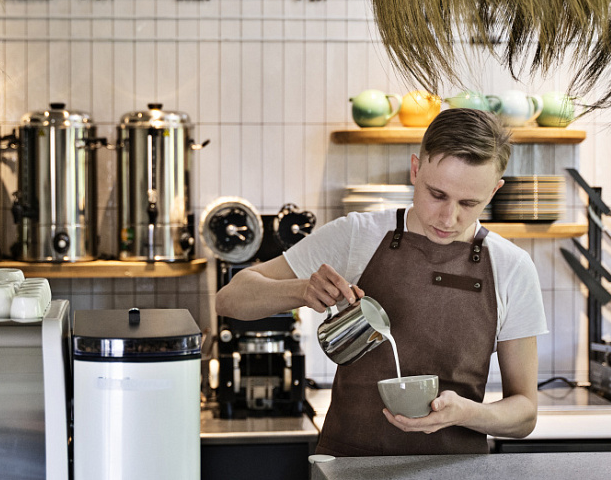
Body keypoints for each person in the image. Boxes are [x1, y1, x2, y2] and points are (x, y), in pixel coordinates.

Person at [215, 108, 547, 456]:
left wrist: (467, 413)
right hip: (349, 466)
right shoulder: (357, 235)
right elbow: (231, 299)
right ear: (415, 169)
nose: (449, 218)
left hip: (455, 470)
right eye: (437, 195)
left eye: (469, 203)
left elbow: (524, 413)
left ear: (494, 191)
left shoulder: (512, 267)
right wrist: (300, 289)